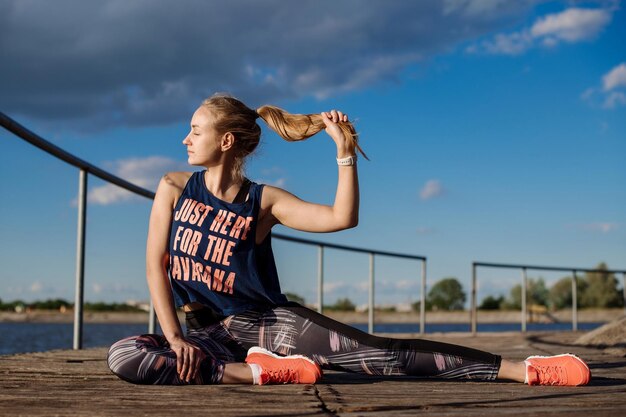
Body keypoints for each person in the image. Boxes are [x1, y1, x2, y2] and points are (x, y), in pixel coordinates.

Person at [107, 94, 590, 387]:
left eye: (195, 129)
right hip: (206, 338)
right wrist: (174, 338)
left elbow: (342, 218)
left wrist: (344, 155)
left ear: (227, 140)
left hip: (269, 326)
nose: (185, 138)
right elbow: (156, 267)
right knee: (124, 355)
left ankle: (522, 369)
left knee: (381, 356)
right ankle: (258, 375)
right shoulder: (173, 188)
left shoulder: (263, 201)